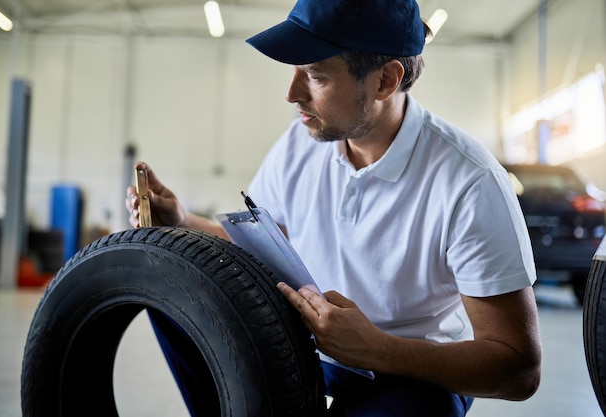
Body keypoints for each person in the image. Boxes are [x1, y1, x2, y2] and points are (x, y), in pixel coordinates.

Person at [125, 0, 542, 415]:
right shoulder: (300, 144)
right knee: (179, 300)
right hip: (304, 344)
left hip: (406, 371)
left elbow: (518, 368)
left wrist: (378, 349)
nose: (292, 94)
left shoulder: (469, 181)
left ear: (384, 82)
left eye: (314, 75)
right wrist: (181, 224)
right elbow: (265, 245)